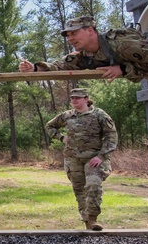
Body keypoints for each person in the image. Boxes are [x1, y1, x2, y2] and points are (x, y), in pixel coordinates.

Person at [17, 16, 148, 82]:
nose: (70, 39)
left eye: (74, 33)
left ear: (90, 30)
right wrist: (34, 68)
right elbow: (60, 66)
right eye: (68, 36)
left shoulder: (121, 42)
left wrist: (122, 69)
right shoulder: (86, 56)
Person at [45, 88, 118, 231]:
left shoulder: (99, 114)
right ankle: (87, 222)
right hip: (73, 159)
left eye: (78, 98)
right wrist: (61, 137)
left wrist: (101, 156)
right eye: (72, 98)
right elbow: (50, 126)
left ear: (86, 98)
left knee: (93, 185)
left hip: (94, 158)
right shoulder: (67, 116)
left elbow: (111, 136)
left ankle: (93, 218)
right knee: (79, 189)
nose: (74, 101)